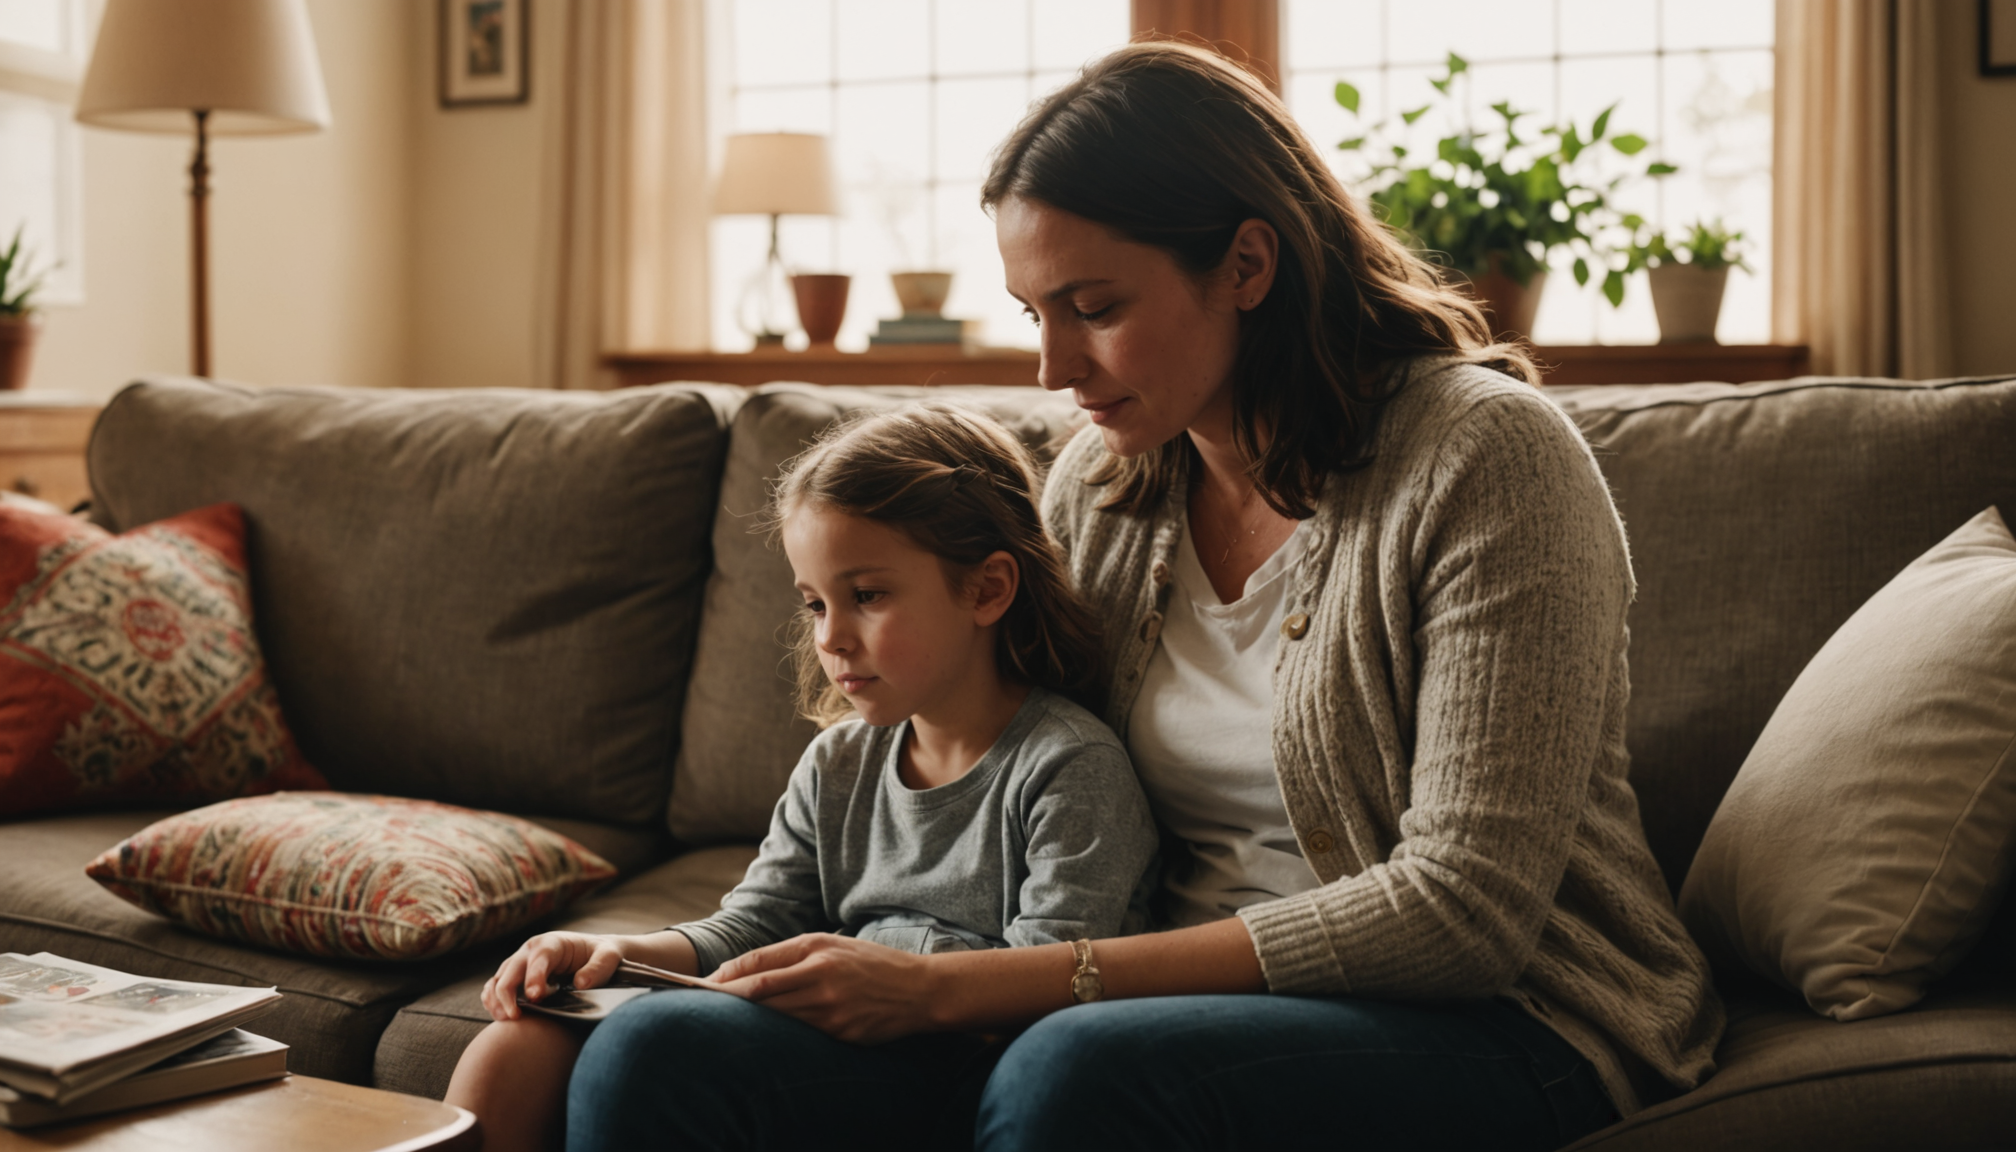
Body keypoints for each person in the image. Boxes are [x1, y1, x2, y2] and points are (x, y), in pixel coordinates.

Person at [568, 40, 1724, 1152]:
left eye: (1096, 307)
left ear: (1248, 267)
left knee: (1067, 1072)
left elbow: (1459, 915)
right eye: (1036, 314)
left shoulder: (1489, 461)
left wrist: (963, 990)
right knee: (657, 1047)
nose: (1052, 369)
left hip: (1508, 1019)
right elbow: (1007, 757)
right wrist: (700, 955)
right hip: (1125, 1012)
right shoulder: (1103, 488)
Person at [445, 404, 1159, 1152]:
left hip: (970, 1064)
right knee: (516, 1044)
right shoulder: (839, 762)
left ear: (986, 589)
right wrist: (612, 954)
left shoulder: (1069, 766)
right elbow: (753, 925)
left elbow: (1055, 987)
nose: (830, 637)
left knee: (654, 1042)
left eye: (868, 596)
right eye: (814, 602)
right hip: (844, 1045)